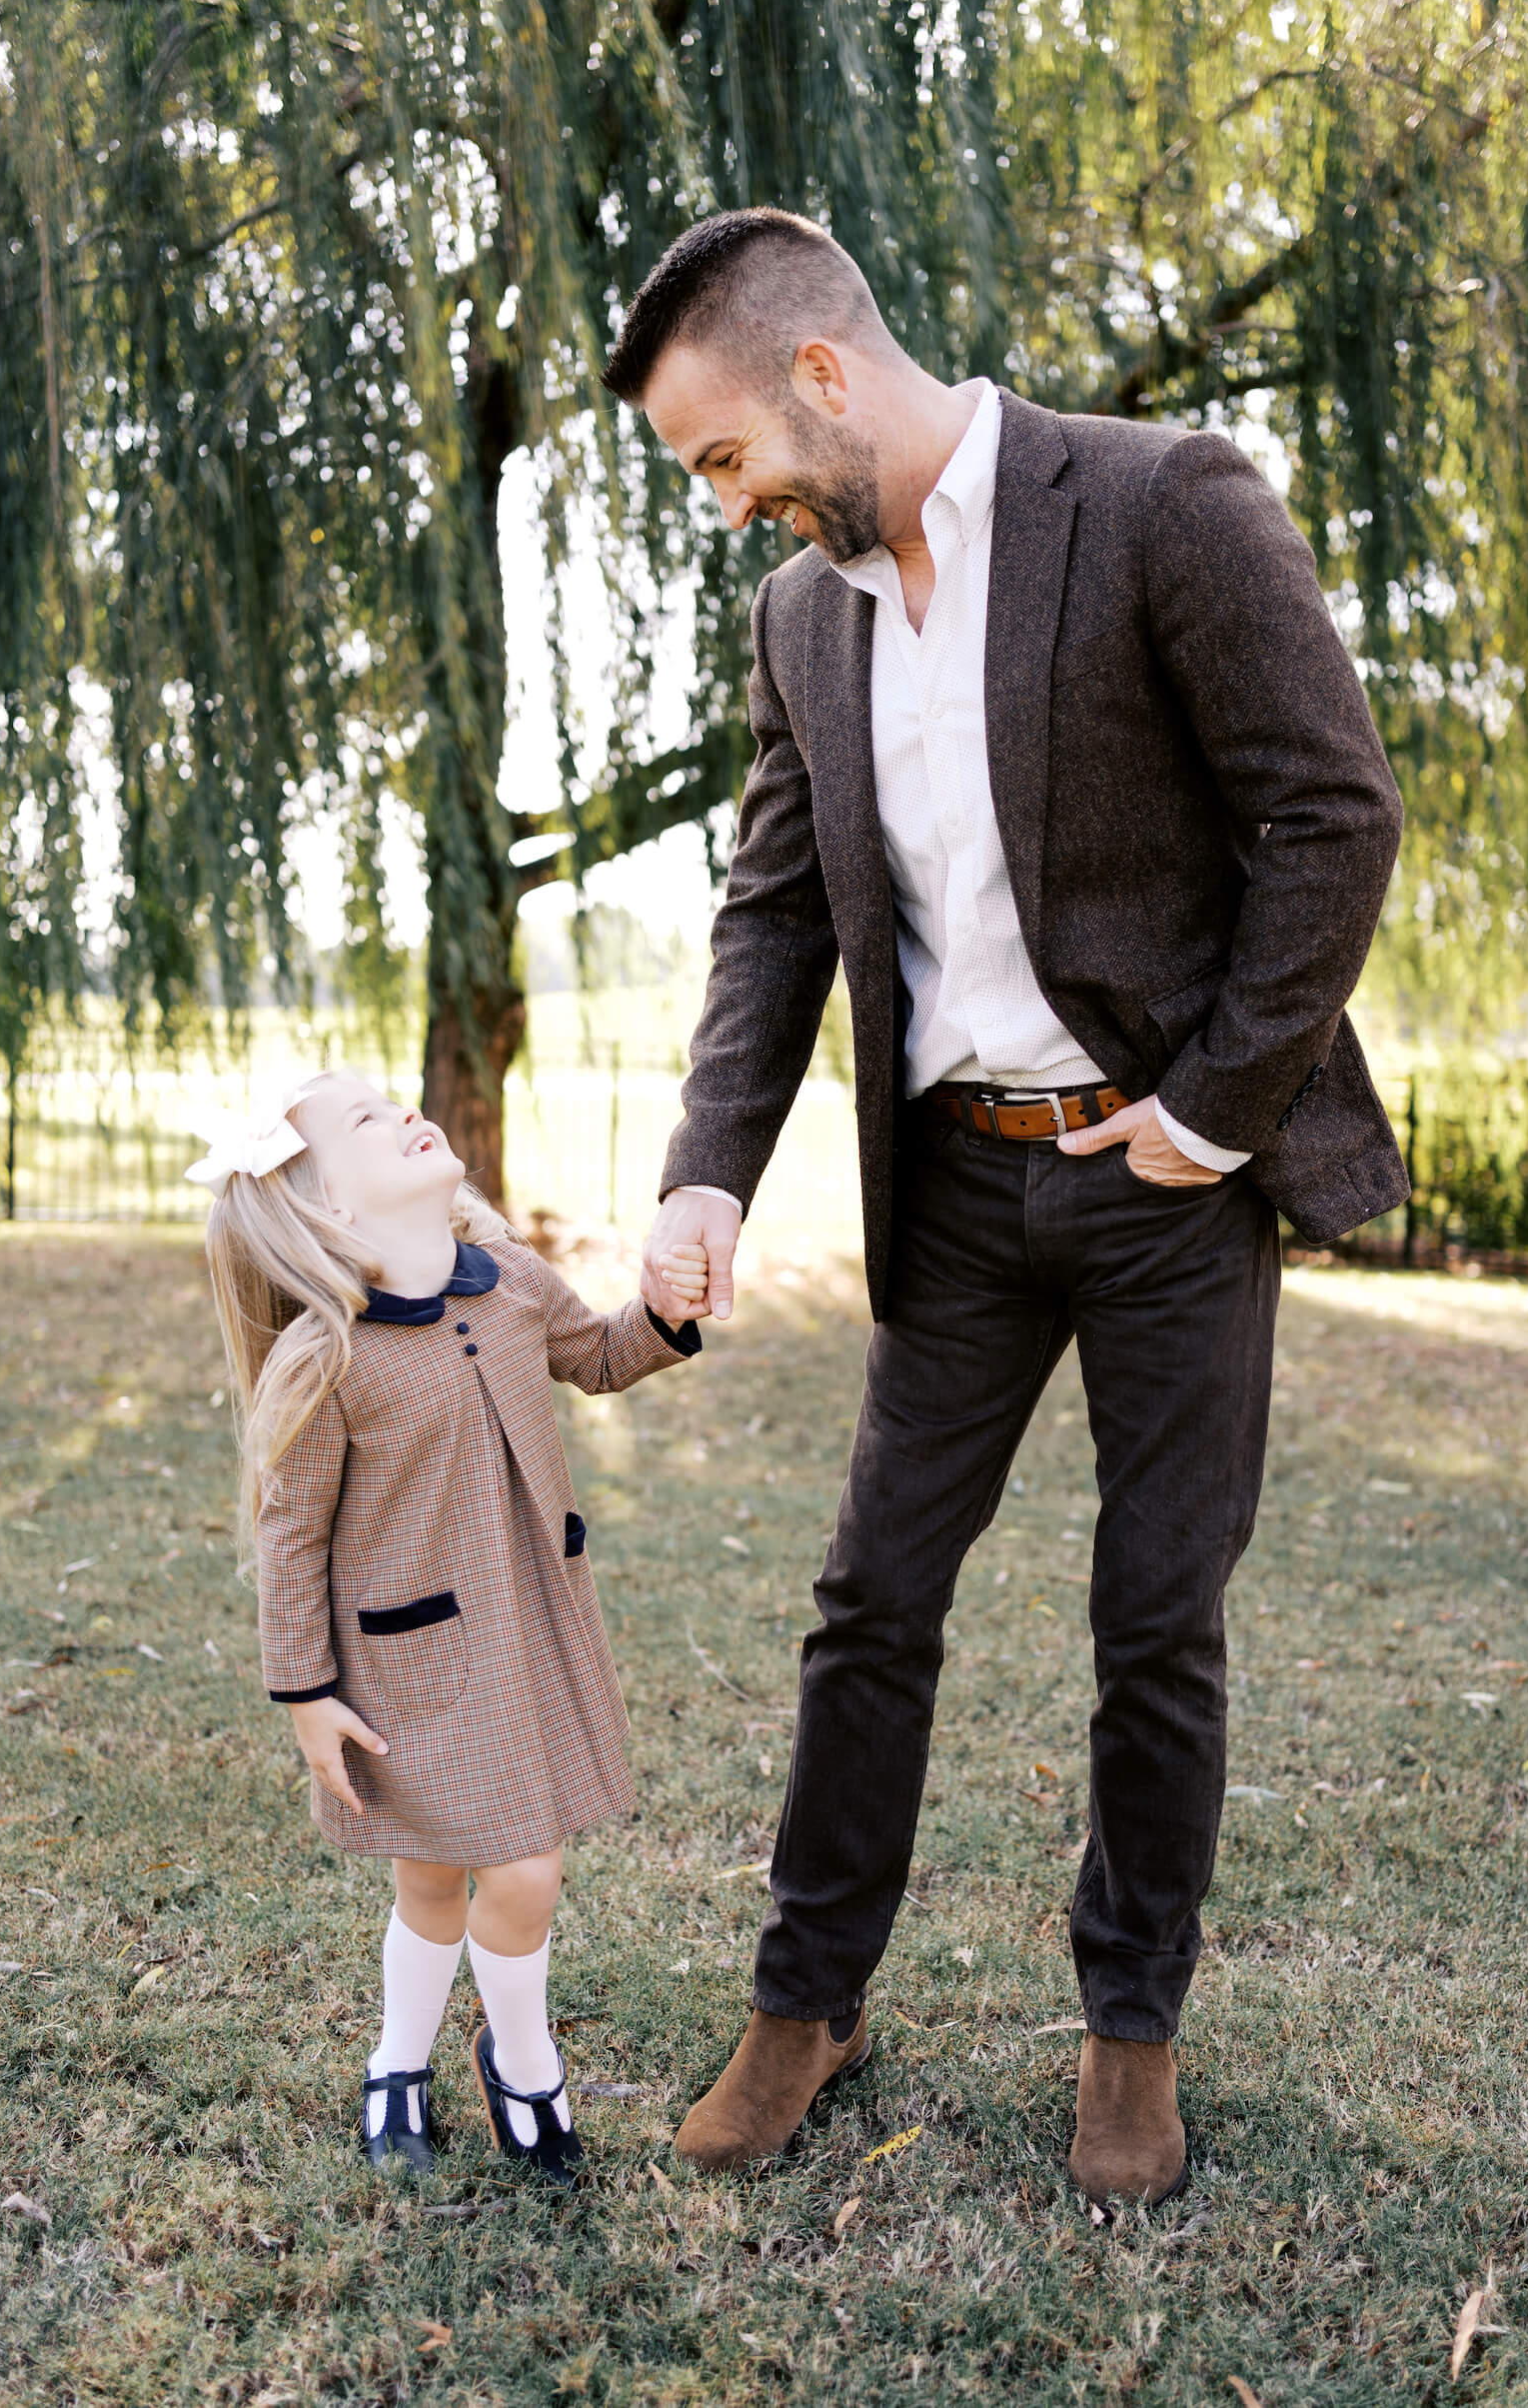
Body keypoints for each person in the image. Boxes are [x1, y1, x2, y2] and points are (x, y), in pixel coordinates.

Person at [606, 209, 1408, 2205]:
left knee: (1154, 1619)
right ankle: (806, 1998)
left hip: (1162, 1186)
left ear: (817, 373)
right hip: (949, 1190)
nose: (727, 507)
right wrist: (707, 1171)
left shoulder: (1157, 505)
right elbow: (775, 909)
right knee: (868, 1598)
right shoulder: (809, 618)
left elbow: (1329, 811)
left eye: (720, 457)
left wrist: (1213, 1110)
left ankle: (1126, 2033)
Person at [190, 1071, 708, 2183]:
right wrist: (304, 1693)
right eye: (365, 1123)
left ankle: (519, 2055)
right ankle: (398, 2061)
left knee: (525, 1873)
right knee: (428, 1880)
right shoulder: (327, 1353)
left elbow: (601, 1355)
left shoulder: (512, 1281)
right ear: (326, 1206)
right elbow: (293, 1535)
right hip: (407, 1660)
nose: (405, 1112)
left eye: (394, 1098)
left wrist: (663, 1309)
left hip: (530, 1632)